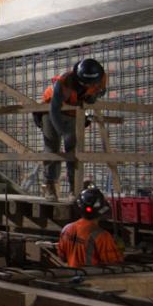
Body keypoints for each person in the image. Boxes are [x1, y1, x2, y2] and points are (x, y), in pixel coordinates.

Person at [34, 58, 107, 200]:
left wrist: (93, 96)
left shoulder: (100, 77)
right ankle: (49, 185)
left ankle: (74, 188)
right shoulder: (64, 83)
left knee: (73, 151)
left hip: (73, 112)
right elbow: (54, 110)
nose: (88, 85)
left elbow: (99, 92)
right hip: (51, 111)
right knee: (52, 147)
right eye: (85, 83)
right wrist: (63, 131)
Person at [57, 185, 124, 267]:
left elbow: (62, 257)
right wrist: (118, 249)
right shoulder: (102, 236)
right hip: (93, 278)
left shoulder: (66, 229)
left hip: (72, 275)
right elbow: (115, 264)